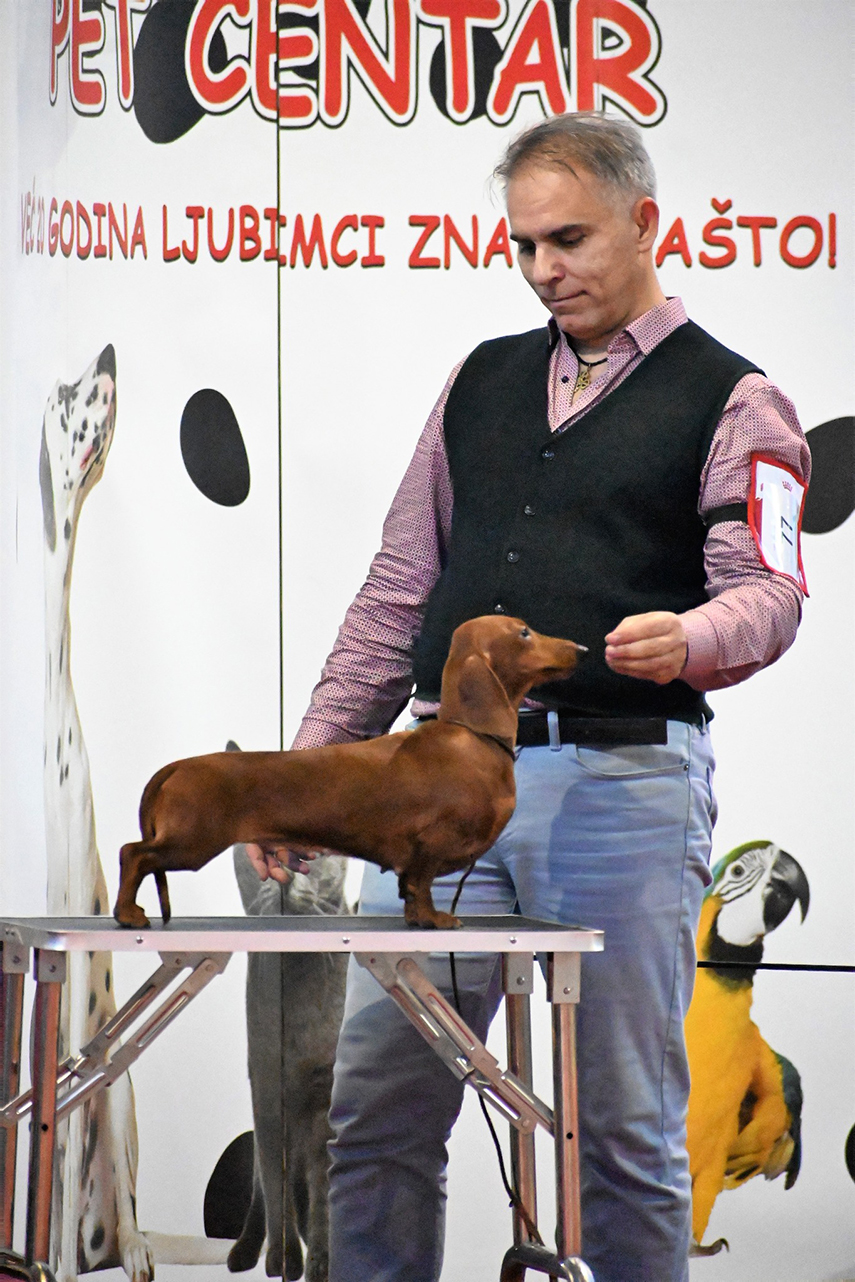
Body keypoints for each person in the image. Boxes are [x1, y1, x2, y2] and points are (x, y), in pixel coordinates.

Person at [248, 113, 810, 1282]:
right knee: (376, 1106)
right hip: (426, 789)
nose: (545, 268)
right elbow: (398, 592)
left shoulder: (737, 399)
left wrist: (696, 637)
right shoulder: (479, 379)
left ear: (646, 224)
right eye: (524, 245)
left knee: (623, 1130)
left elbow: (770, 593)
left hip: (620, 787)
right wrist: (301, 778)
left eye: (571, 239)